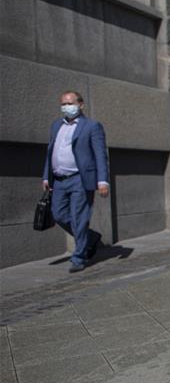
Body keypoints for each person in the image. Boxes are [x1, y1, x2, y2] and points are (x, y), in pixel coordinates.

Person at [42, 90, 110, 273]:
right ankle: (91, 237)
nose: (66, 107)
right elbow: (51, 152)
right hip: (59, 179)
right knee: (58, 214)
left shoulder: (92, 126)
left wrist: (103, 181)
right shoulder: (56, 125)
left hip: (80, 179)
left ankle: (79, 256)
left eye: (70, 103)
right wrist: (46, 176)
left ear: (81, 105)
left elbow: (100, 155)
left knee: (79, 218)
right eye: (63, 104)